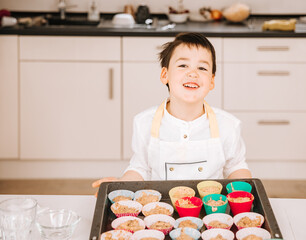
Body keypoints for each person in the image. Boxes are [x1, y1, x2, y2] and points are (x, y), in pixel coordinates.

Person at [92, 32, 251, 191]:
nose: (193, 73)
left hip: (210, 212)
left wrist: (246, 193)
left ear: (212, 81)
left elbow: (236, 168)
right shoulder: (144, 122)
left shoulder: (228, 125)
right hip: (159, 211)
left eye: (202, 68)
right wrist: (120, 186)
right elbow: (141, 168)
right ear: (165, 75)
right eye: (183, 65)